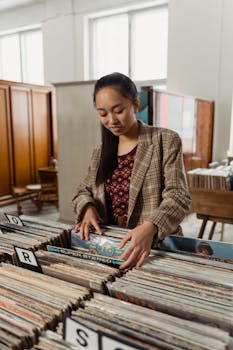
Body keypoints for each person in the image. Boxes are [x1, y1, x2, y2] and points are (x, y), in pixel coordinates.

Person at [72, 72, 191, 270]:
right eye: (102, 114)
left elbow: (178, 196)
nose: (111, 120)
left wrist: (151, 226)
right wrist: (87, 208)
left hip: (154, 246)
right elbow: (83, 190)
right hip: (111, 245)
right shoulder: (100, 152)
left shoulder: (165, 140)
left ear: (135, 105)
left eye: (118, 110)